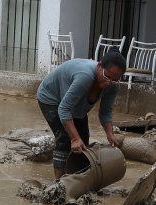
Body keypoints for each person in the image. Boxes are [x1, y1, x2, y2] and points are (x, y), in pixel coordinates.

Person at [37, 49, 126, 179]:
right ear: (99, 66)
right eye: (107, 77)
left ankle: (79, 178)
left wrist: (110, 134)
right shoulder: (85, 76)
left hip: (74, 105)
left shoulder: (113, 86)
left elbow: (105, 112)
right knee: (65, 140)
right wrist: (74, 138)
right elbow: (64, 109)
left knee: (83, 140)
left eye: (114, 80)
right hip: (51, 98)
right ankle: (60, 184)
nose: (109, 83)